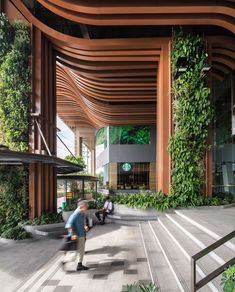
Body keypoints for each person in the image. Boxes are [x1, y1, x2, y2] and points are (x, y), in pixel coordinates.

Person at [64, 199, 89, 271]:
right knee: (76, 252)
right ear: (81, 206)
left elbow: (82, 222)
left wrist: (85, 226)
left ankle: (79, 265)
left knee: (81, 251)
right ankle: (65, 262)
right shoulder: (76, 214)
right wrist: (72, 234)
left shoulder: (82, 213)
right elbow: (69, 225)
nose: (87, 208)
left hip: (81, 235)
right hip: (77, 236)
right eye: (86, 207)